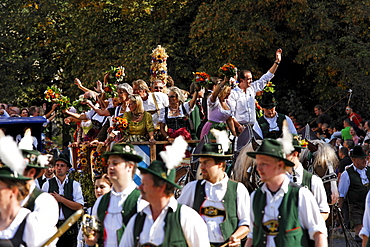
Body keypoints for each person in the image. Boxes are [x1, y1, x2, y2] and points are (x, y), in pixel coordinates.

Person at [245, 138, 327, 247]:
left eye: (264, 164)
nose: (259, 168)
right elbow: (252, 235)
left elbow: (319, 233)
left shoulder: (301, 195)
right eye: (258, 163)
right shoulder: (255, 197)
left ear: (279, 165)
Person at [120, 160, 210, 247]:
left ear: (161, 187)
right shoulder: (137, 220)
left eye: (145, 184)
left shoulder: (187, 217)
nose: (140, 187)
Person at [178, 142, 250, 246]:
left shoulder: (238, 189)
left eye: (206, 162)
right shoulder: (192, 188)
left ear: (220, 164)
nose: (201, 167)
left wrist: (236, 236)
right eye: (201, 162)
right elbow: (177, 216)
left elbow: (246, 223)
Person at [85, 144, 144, 247]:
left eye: (115, 163)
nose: (110, 167)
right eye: (109, 163)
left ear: (130, 167)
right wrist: (91, 237)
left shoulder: (141, 200)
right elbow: (93, 235)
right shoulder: (101, 201)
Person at [228, 48, 282, 127]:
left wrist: (277, 62)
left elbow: (266, 77)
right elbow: (230, 113)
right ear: (241, 80)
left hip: (253, 126)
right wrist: (238, 127)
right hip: (240, 127)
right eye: (248, 79)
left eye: (251, 78)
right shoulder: (234, 93)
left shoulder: (252, 88)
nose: (251, 80)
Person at [42, 153, 84, 247]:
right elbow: (41, 206)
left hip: (70, 227)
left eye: (62, 166)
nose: (59, 168)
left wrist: (61, 199)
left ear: (67, 168)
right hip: (52, 227)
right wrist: (49, 200)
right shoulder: (47, 184)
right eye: (57, 165)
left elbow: (79, 206)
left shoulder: (75, 185)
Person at [285, 138, 330, 220]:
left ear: (294, 154)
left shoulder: (314, 181)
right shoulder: (273, 180)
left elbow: (324, 211)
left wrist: (309, 225)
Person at [338, 146, 370, 243]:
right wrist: (339, 214)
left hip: (368, 207)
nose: (364, 160)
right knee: (362, 236)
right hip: (355, 209)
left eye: (365, 158)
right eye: (361, 159)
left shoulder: (369, 171)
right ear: (353, 159)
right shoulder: (346, 174)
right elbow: (341, 195)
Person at [77, 174, 112, 247]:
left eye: (102, 187)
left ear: (111, 188)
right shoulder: (89, 211)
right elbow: (81, 237)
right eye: (96, 188)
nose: (98, 190)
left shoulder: (114, 209)